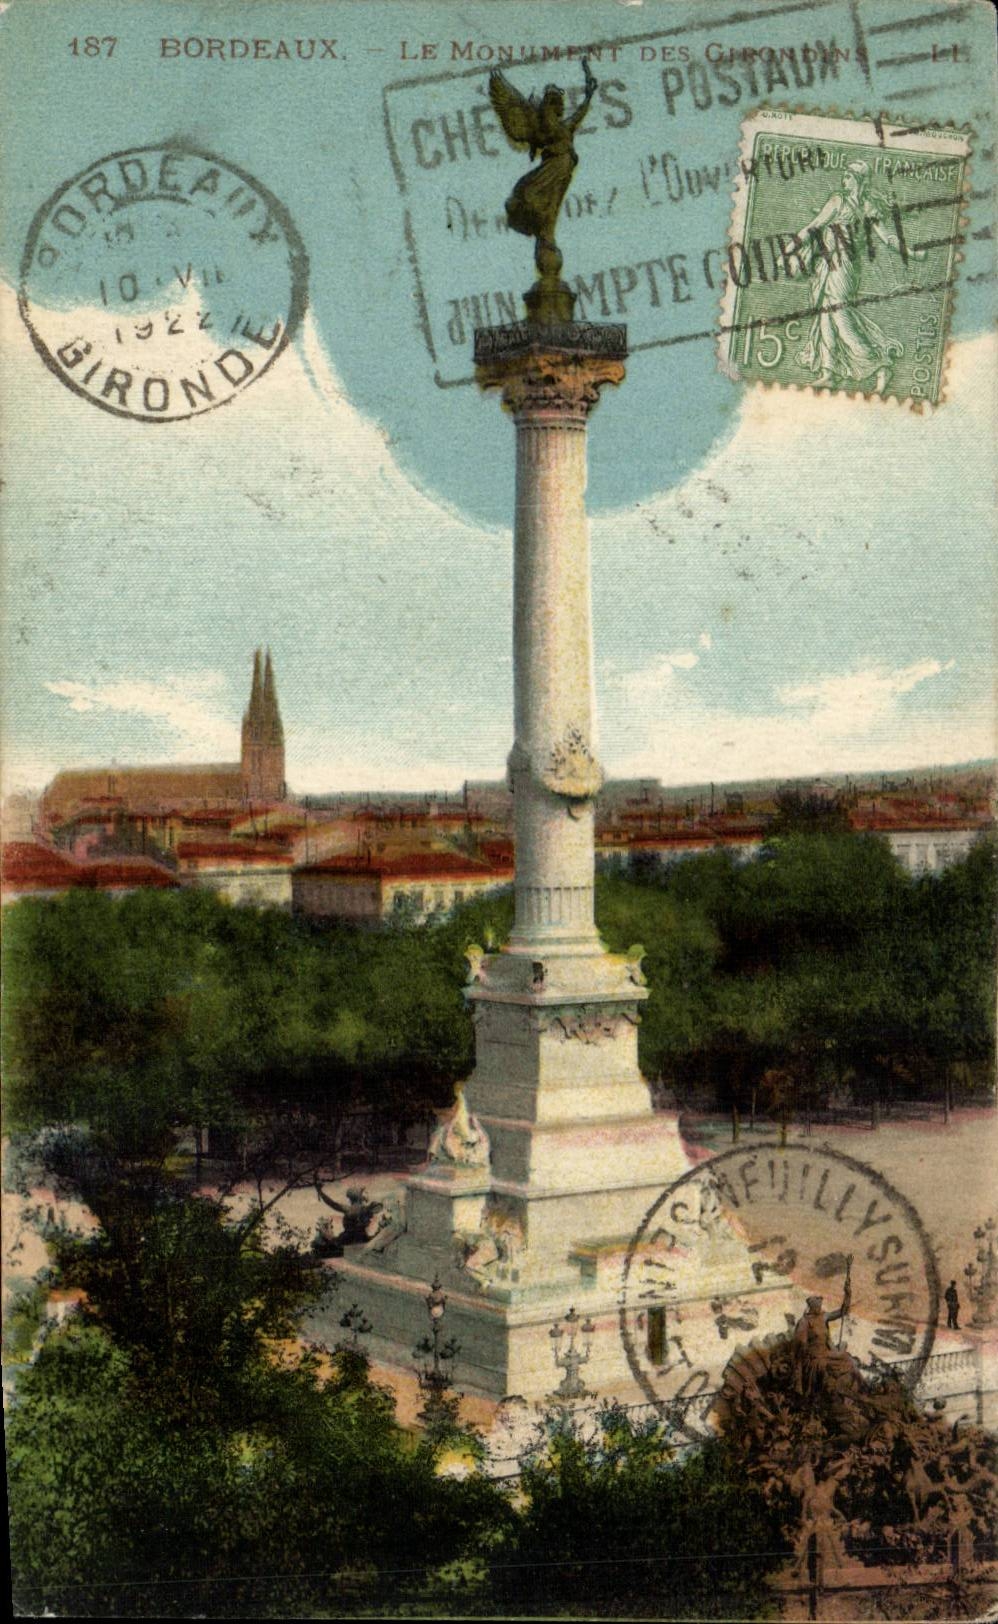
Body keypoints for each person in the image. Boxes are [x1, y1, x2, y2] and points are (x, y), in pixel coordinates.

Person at [793, 159, 926, 394]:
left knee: (840, 317)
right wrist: (791, 247)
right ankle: (829, 371)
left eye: (848, 176)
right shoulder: (838, 201)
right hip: (827, 263)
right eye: (844, 175)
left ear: (858, 180)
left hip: (844, 266)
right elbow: (814, 226)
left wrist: (912, 253)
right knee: (826, 315)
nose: (843, 180)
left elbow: (888, 239)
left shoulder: (866, 207)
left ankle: (880, 366)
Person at [792, 1287, 852, 1399]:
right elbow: (801, 1345)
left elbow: (843, 1311)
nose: (820, 1308)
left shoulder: (824, 1317)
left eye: (820, 1306)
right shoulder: (804, 1322)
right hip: (814, 1358)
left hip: (826, 1353)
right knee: (824, 1368)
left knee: (847, 1359)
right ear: (812, 1307)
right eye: (817, 1306)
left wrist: (847, 1294)